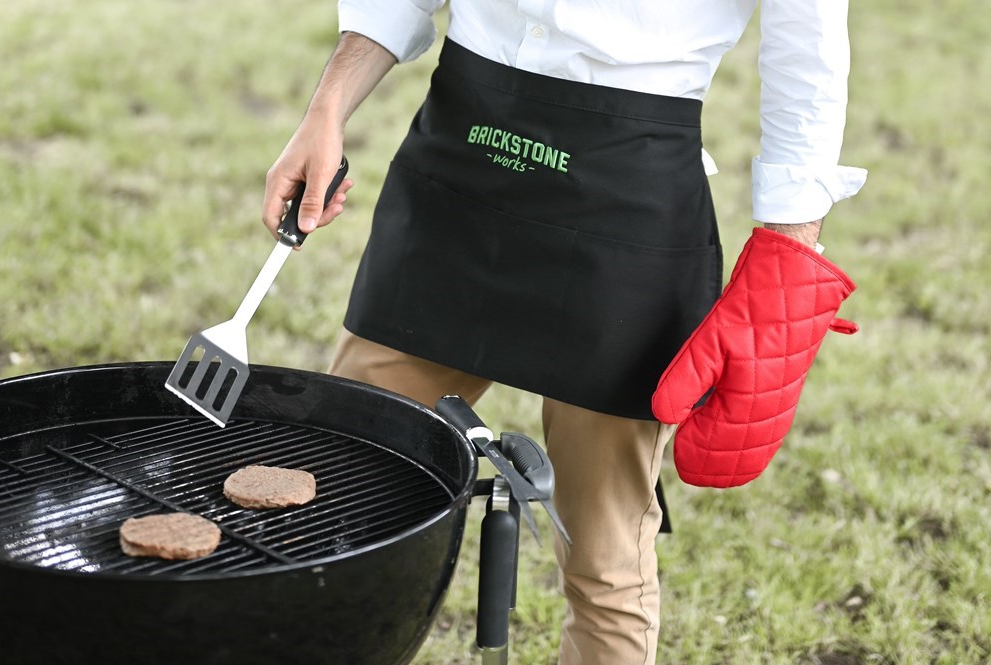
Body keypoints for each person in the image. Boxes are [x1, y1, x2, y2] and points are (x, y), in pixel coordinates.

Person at [261, 1, 867, 663]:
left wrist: (786, 259)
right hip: (457, 161)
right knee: (336, 491)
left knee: (604, 558)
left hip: (625, 199)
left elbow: (807, 51)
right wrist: (327, 109)